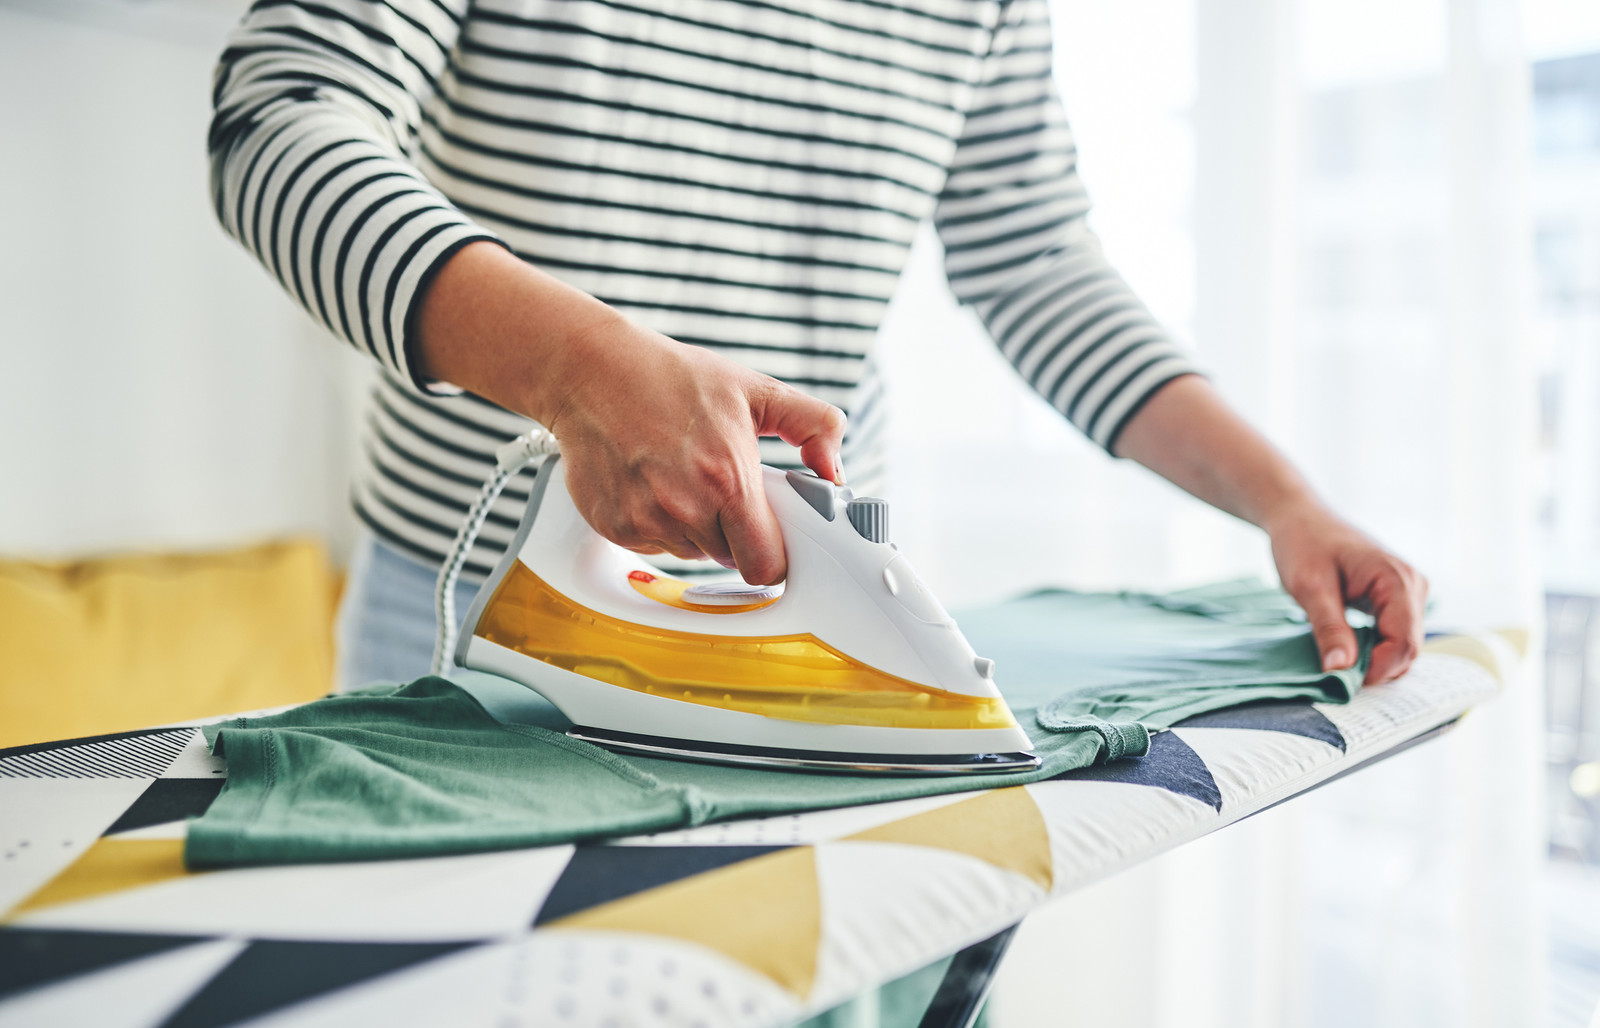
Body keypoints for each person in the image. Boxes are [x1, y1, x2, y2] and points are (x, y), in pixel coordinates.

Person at [208, 0, 1425, 690]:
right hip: (473, 597)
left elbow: (1035, 261)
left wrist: (1283, 500)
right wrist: (576, 372)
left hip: (800, 601)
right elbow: (278, 122)